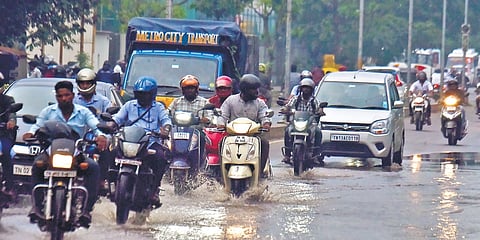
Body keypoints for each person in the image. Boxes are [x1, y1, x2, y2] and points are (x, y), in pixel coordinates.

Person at [23, 81, 107, 227]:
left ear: (73, 95)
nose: (64, 98)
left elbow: (95, 126)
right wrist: (29, 133)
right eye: (60, 96)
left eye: (67, 95)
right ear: (56, 97)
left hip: (76, 153)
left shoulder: (83, 112)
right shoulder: (48, 112)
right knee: (37, 165)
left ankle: (87, 210)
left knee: (93, 167)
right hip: (51, 152)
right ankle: (36, 206)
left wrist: (101, 136)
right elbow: (37, 125)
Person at [111, 76, 171, 206]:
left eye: (145, 94)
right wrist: (112, 124)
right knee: (111, 153)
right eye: (140, 94)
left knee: (160, 158)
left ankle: (154, 190)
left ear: (152, 94)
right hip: (129, 141)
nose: (142, 97)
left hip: (150, 142)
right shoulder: (129, 105)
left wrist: (165, 130)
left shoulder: (158, 107)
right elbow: (118, 118)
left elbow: (166, 121)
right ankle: (109, 184)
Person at [219, 74, 272, 177]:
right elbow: (223, 115)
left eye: (257, 89)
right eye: (253, 89)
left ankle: (260, 173)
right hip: (232, 136)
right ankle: (222, 173)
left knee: (264, 143)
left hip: (253, 136)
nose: (257, 92)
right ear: (244, 89)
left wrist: (266, 123)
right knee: (221, 143)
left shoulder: (259, 103)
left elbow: (264, 115)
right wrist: (220, 124)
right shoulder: (230, 101)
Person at [73, 68, 114, 195]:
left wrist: (102, 118)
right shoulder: (74, 100)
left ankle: (102, 180)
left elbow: (111, 119)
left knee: (106, 150)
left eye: (88, 83)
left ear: (93, 84)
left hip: (96, 136)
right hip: (76, 136)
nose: (85, 86)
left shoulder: (103, 101)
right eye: (82, 83)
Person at [280, 78, 324, 165]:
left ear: (311, 90)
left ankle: (315, 155)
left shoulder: (314, 100)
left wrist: (320, 111)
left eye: (308, 88)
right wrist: (285, 110)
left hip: (310, 124)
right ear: (301, 89)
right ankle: (287, 155)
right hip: (296, 123)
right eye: (304, 87)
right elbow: (288, 106)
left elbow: (319, 108)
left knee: (318, 132)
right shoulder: (296, 99)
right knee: (287, 130)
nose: (306, 90)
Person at [0, 92, 17, 197]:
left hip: (3, 135)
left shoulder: (7, 100)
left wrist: (11, 120)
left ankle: (9, 186)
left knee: (5, 153)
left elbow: (12, 113)